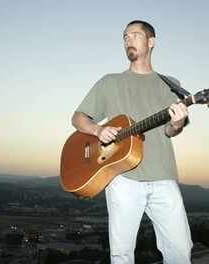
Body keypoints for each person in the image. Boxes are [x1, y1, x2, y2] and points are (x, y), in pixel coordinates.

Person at [71, 20, 193, 263]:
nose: (128, 40)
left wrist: (177, 123)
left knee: (180, 251)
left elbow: (170, 131)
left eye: (135, 35)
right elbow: (78, 118)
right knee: (121, 254)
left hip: (163, 176)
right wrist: (98, 130)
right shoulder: (110, 82)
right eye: (125, 37)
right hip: (122, 178)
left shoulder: (170, 83)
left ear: (151, 42)